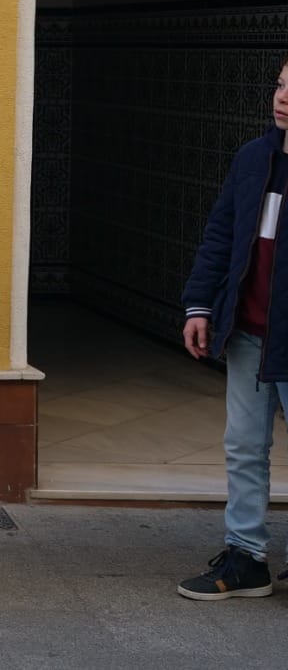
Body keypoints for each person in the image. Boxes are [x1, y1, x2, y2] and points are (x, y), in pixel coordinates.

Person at [177, 57, 288, 601]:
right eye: (282, 84)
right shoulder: (253, 158)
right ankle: (247, 557)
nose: (284, 97)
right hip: (248, 332)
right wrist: (200, 306)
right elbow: (220, 235)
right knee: (244, 446)